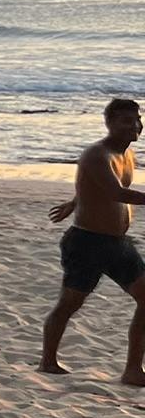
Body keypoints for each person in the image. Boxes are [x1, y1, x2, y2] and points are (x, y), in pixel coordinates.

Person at [40, 98, 145, 383]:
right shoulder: (96, 154)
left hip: (117, 244)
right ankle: (48, 362)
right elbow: (116, 193)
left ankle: (133, 370)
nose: (134, 126)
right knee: (69, 304)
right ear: (109, 123)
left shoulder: (128, 155)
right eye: (126, 120)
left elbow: (93, 185)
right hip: (86, 243)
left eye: (137, 119)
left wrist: (74, 201)